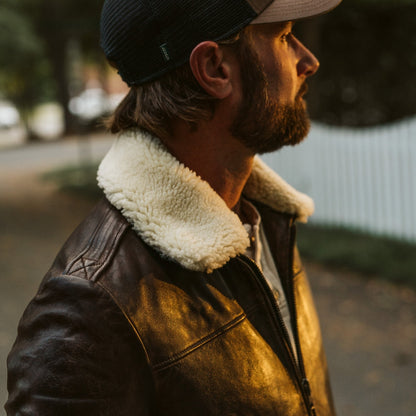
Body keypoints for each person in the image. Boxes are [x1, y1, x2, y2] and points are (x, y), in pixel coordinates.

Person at [6, 0, 343, 415]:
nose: (308, 61)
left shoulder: (265, 219)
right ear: (215, 68)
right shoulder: (88, 311)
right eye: (284, 37)